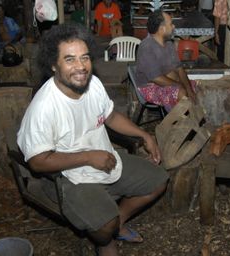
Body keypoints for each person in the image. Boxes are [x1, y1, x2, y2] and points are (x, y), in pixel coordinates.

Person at [17, 23, 168, 256]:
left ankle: (118, 223)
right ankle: (106, 239)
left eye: (85, 57)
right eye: (69, 59)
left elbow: (111, 116)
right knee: (102, 227)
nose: (81, 67)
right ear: (53, 65)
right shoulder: (44, 107)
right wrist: (88, 157)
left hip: (105, 158)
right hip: (67, 177)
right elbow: (37, 162)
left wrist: (144, 134)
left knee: (159, 180)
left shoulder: (93, 84)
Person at [135, 10, 197, 112]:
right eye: (171, 24)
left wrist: (189, 89)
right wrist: (181, 85)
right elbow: (156, 78)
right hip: (149, 87)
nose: (173, 27)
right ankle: (181, 124)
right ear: (162, 29)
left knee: (195, 87)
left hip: (166, 81)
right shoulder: (147, 46)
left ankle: (193, 119)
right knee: (180, 92)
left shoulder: (169, 44)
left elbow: (179, 68)